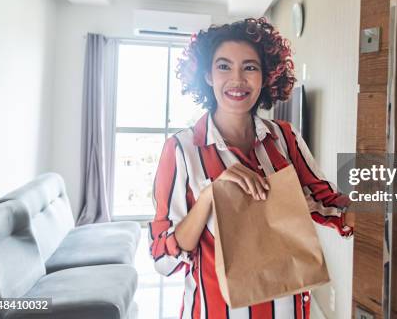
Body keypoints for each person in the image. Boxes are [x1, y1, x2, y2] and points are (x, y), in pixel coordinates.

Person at [148, 17, 354, 319]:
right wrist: (210, 196)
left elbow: (329, 204)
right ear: (207, 75)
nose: (237, 79)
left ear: (265, 75)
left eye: (249, 67)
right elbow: (162, 259)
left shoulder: (285, 138)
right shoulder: (181, 150)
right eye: (223, 66)